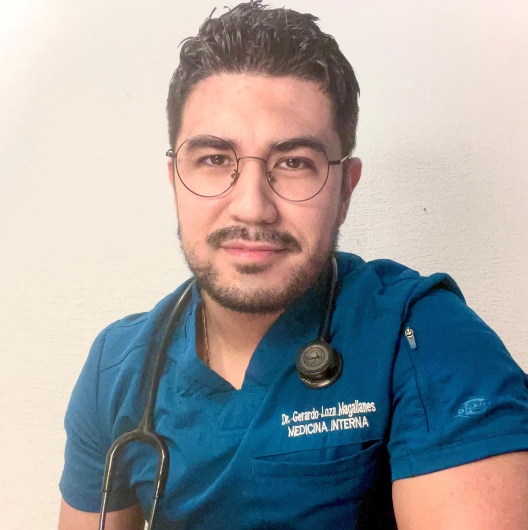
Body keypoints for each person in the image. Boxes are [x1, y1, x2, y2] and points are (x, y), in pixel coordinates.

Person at [58, 2, 528, 528]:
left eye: (294, 163)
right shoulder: (116, 368)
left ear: (345, 190)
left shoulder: (424, 338)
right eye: (214, 159)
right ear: (175, 181)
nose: (252, 207)